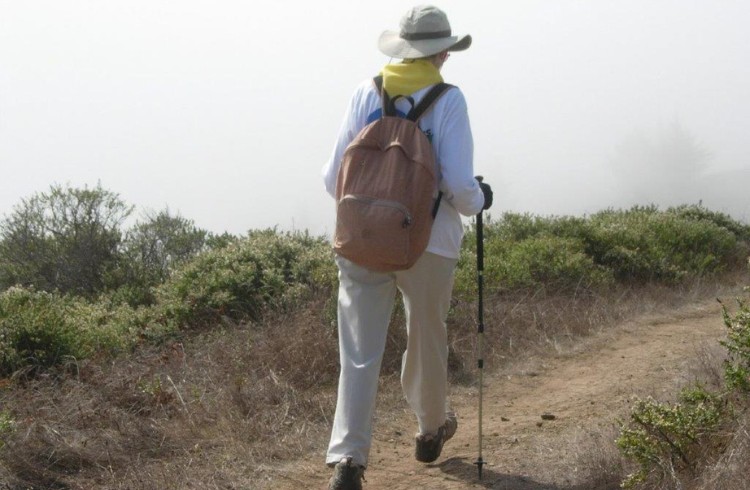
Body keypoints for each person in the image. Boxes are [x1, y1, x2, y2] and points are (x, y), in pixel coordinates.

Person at [321, 5, 493, 489]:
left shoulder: (366, 91)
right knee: (426, 337)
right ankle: (429, 429)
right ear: (442, 51)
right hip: (429, 242)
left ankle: (349, 461)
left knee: (357, 351)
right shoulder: (448, 100)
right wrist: (481, 199)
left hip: (360, 240)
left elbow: (332, 176)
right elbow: (459, 186)